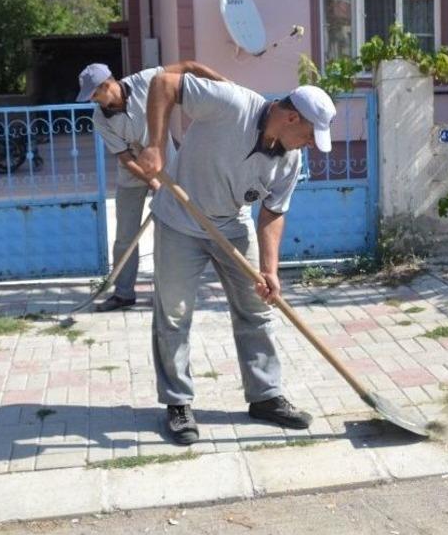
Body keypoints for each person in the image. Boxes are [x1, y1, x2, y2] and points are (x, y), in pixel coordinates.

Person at [136, 72, 336, 445]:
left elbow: (273, 212)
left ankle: (265, 396)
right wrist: (156, 145)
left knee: (258, 308)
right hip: (180, 219)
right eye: (309, 136)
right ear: (292, 117)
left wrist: (269, 270)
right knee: (174, 313)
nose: (309, 145)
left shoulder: (289, 160)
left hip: (231, 225)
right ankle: (178, 403)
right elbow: (164, 84)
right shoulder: (230, 103)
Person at [77, 61, 227, 312]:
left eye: (94, 94)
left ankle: (168, 294)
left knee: (169, 233)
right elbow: (125, 158)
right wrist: (153, 182)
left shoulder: (145, 81)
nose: (94, 100)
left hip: (169, 169)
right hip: (132, 176)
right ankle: (123, 294)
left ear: (107, 84)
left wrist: (224, 85)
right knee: (125, 236)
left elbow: (189, 66)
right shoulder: (100, 119)